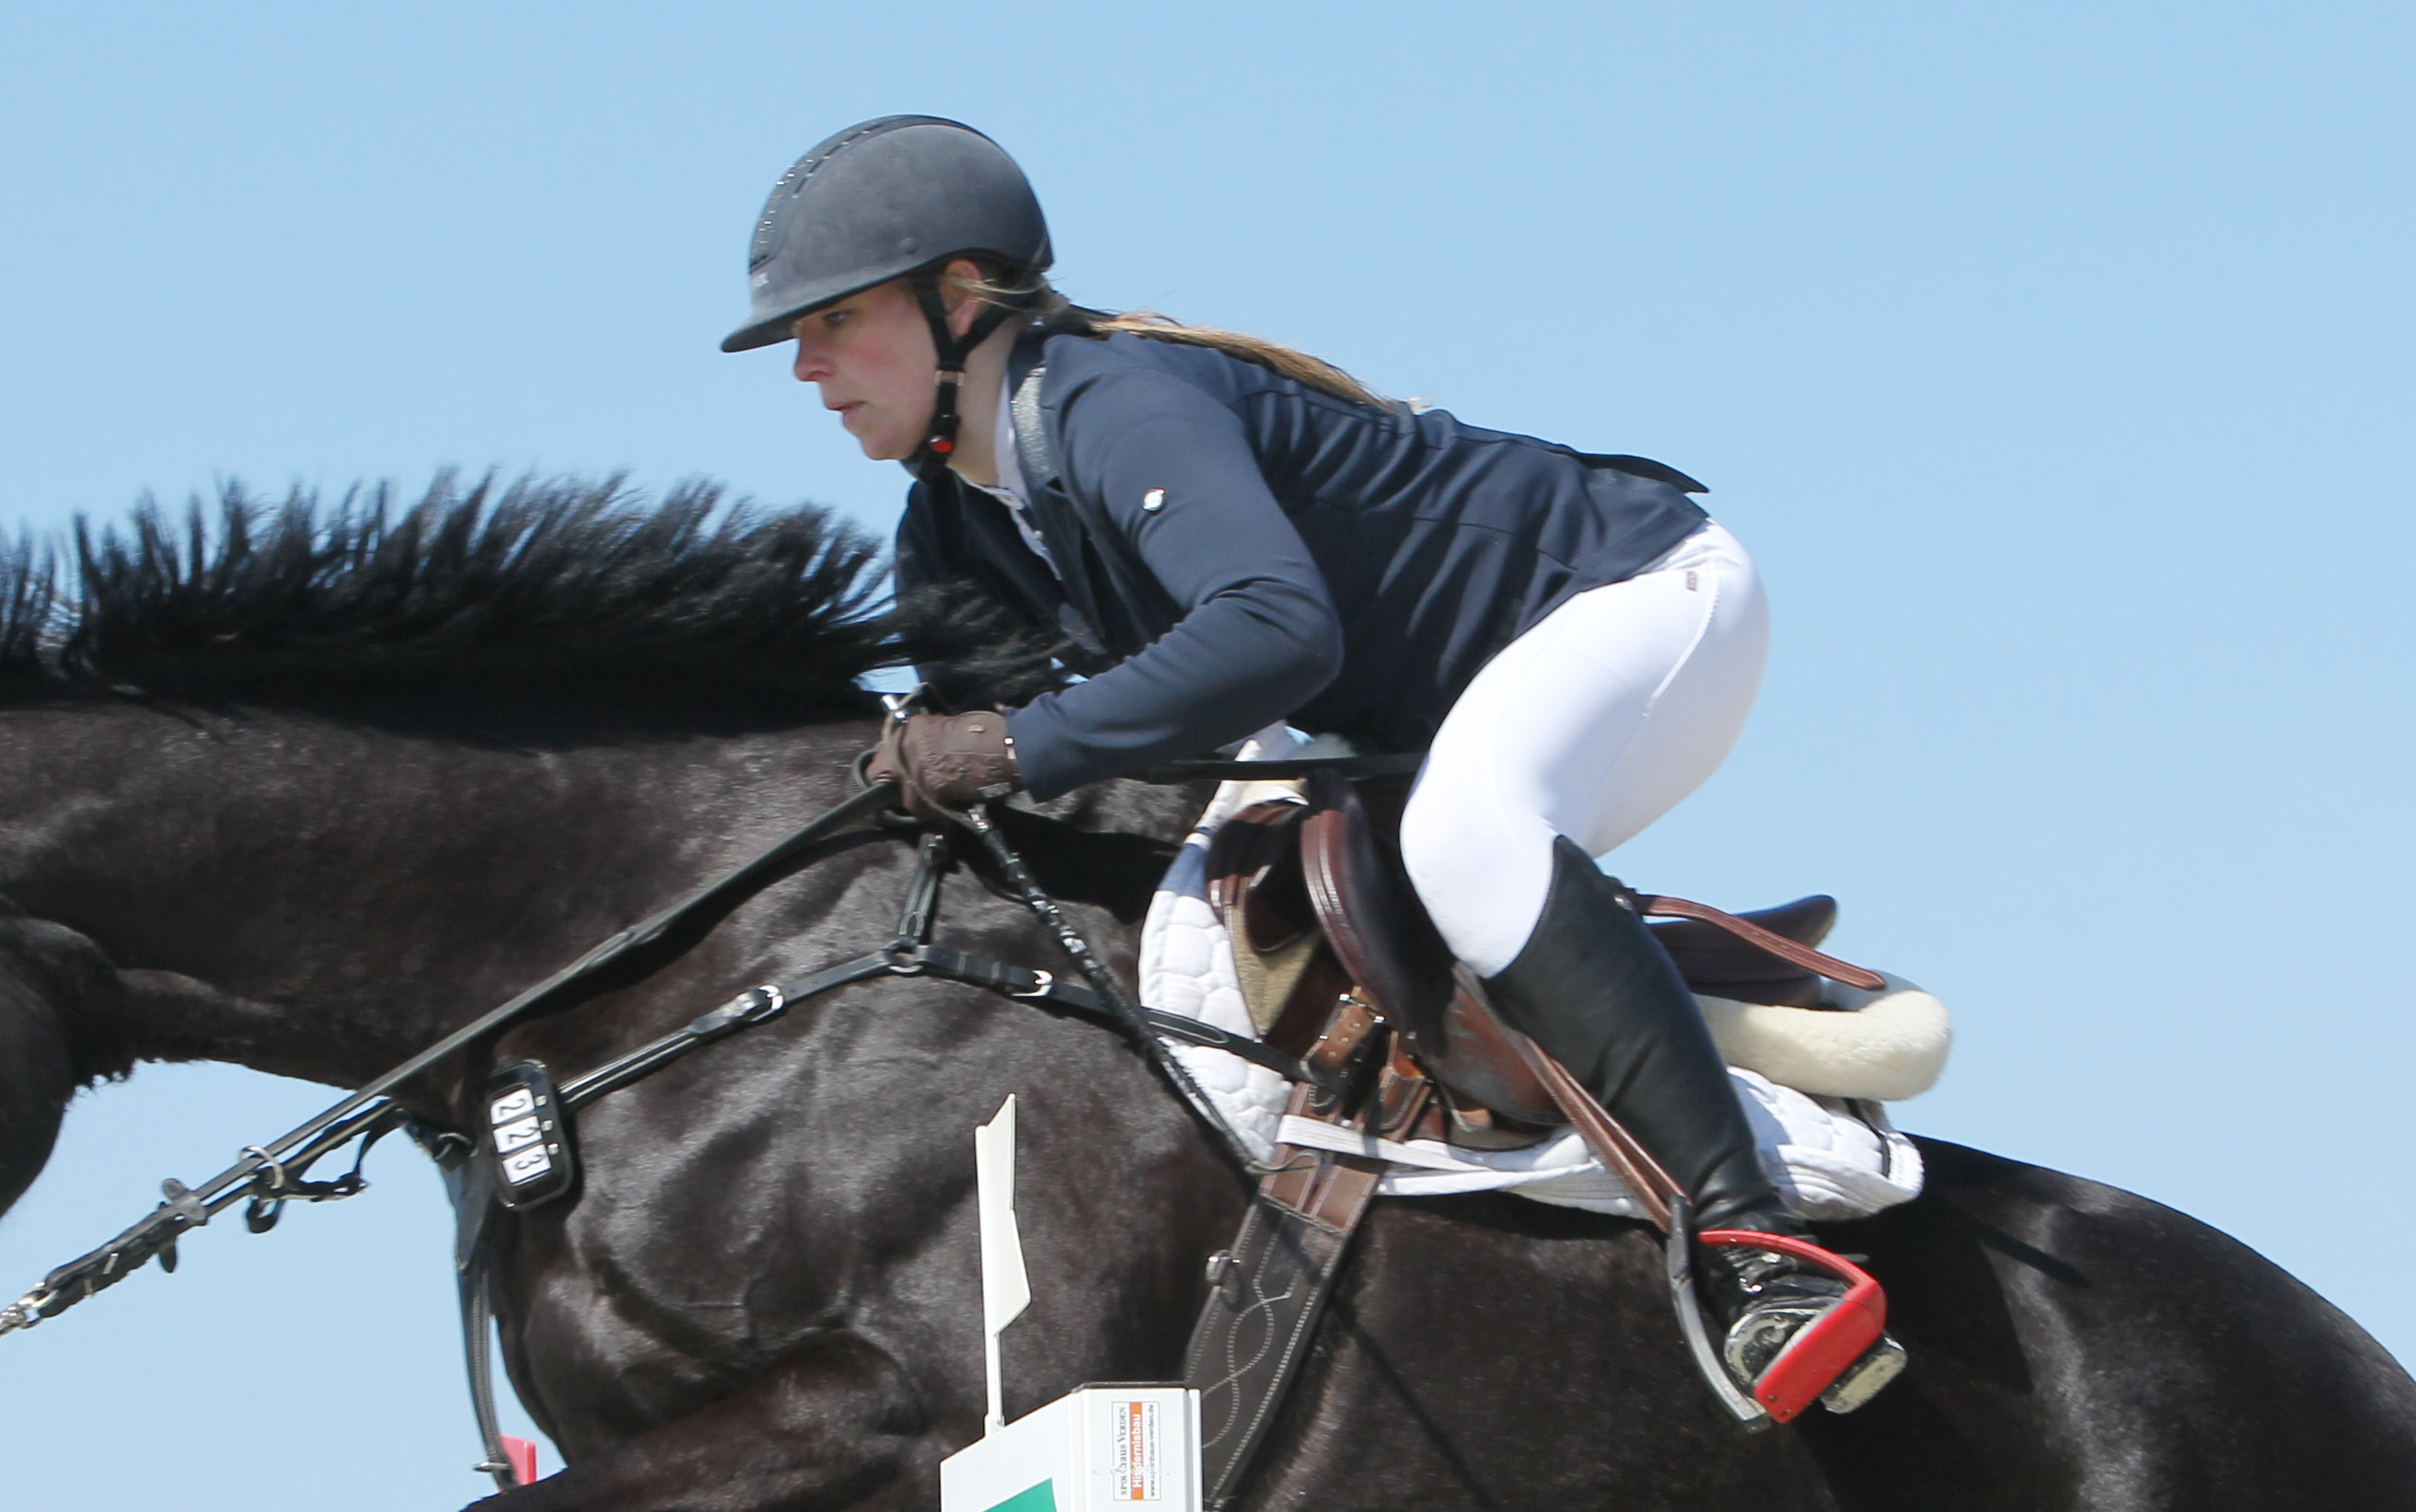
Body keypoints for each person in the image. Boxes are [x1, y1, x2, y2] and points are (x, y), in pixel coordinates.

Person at [725, 114, 1901, 1420]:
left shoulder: (1116, 403)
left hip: (1638, 601)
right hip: (1407, 710)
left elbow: (1271, 630)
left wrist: (1005, 744)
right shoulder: (957, 521)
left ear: (960, 299)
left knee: (1468, 834)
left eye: (835, 323)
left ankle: (1754, 1247)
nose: (807, 369)